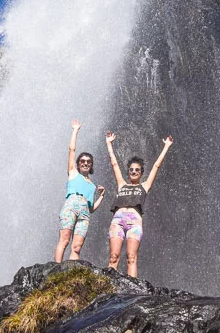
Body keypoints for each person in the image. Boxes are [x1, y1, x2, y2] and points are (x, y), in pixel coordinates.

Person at [105, 130, 173, 278]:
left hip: (134, 223)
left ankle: (132, 291)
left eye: (137, 170)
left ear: (141, 173)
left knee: (131, 257)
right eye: (131, 170)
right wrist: (109, 143)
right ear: (128, 172)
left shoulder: (145, 186)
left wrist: (166, 146)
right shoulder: (122, 184)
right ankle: (108, 285)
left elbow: (156, 166)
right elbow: (114, 164)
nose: (134, 172)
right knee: (113, 256)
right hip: (117, 221)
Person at [54, 119, 105, 262]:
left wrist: (101, 196)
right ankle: (56, 269)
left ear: (91, 165)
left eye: (88, 162)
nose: (85, 163)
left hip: (84, 215)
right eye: (82, 161)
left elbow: (91, 208)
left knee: (77, 247)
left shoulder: (92, 186)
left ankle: (70, 273)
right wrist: (75, 130)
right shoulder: (73, 173)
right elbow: (71, 150)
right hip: (71, 207)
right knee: (64, 240)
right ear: (78, 163)